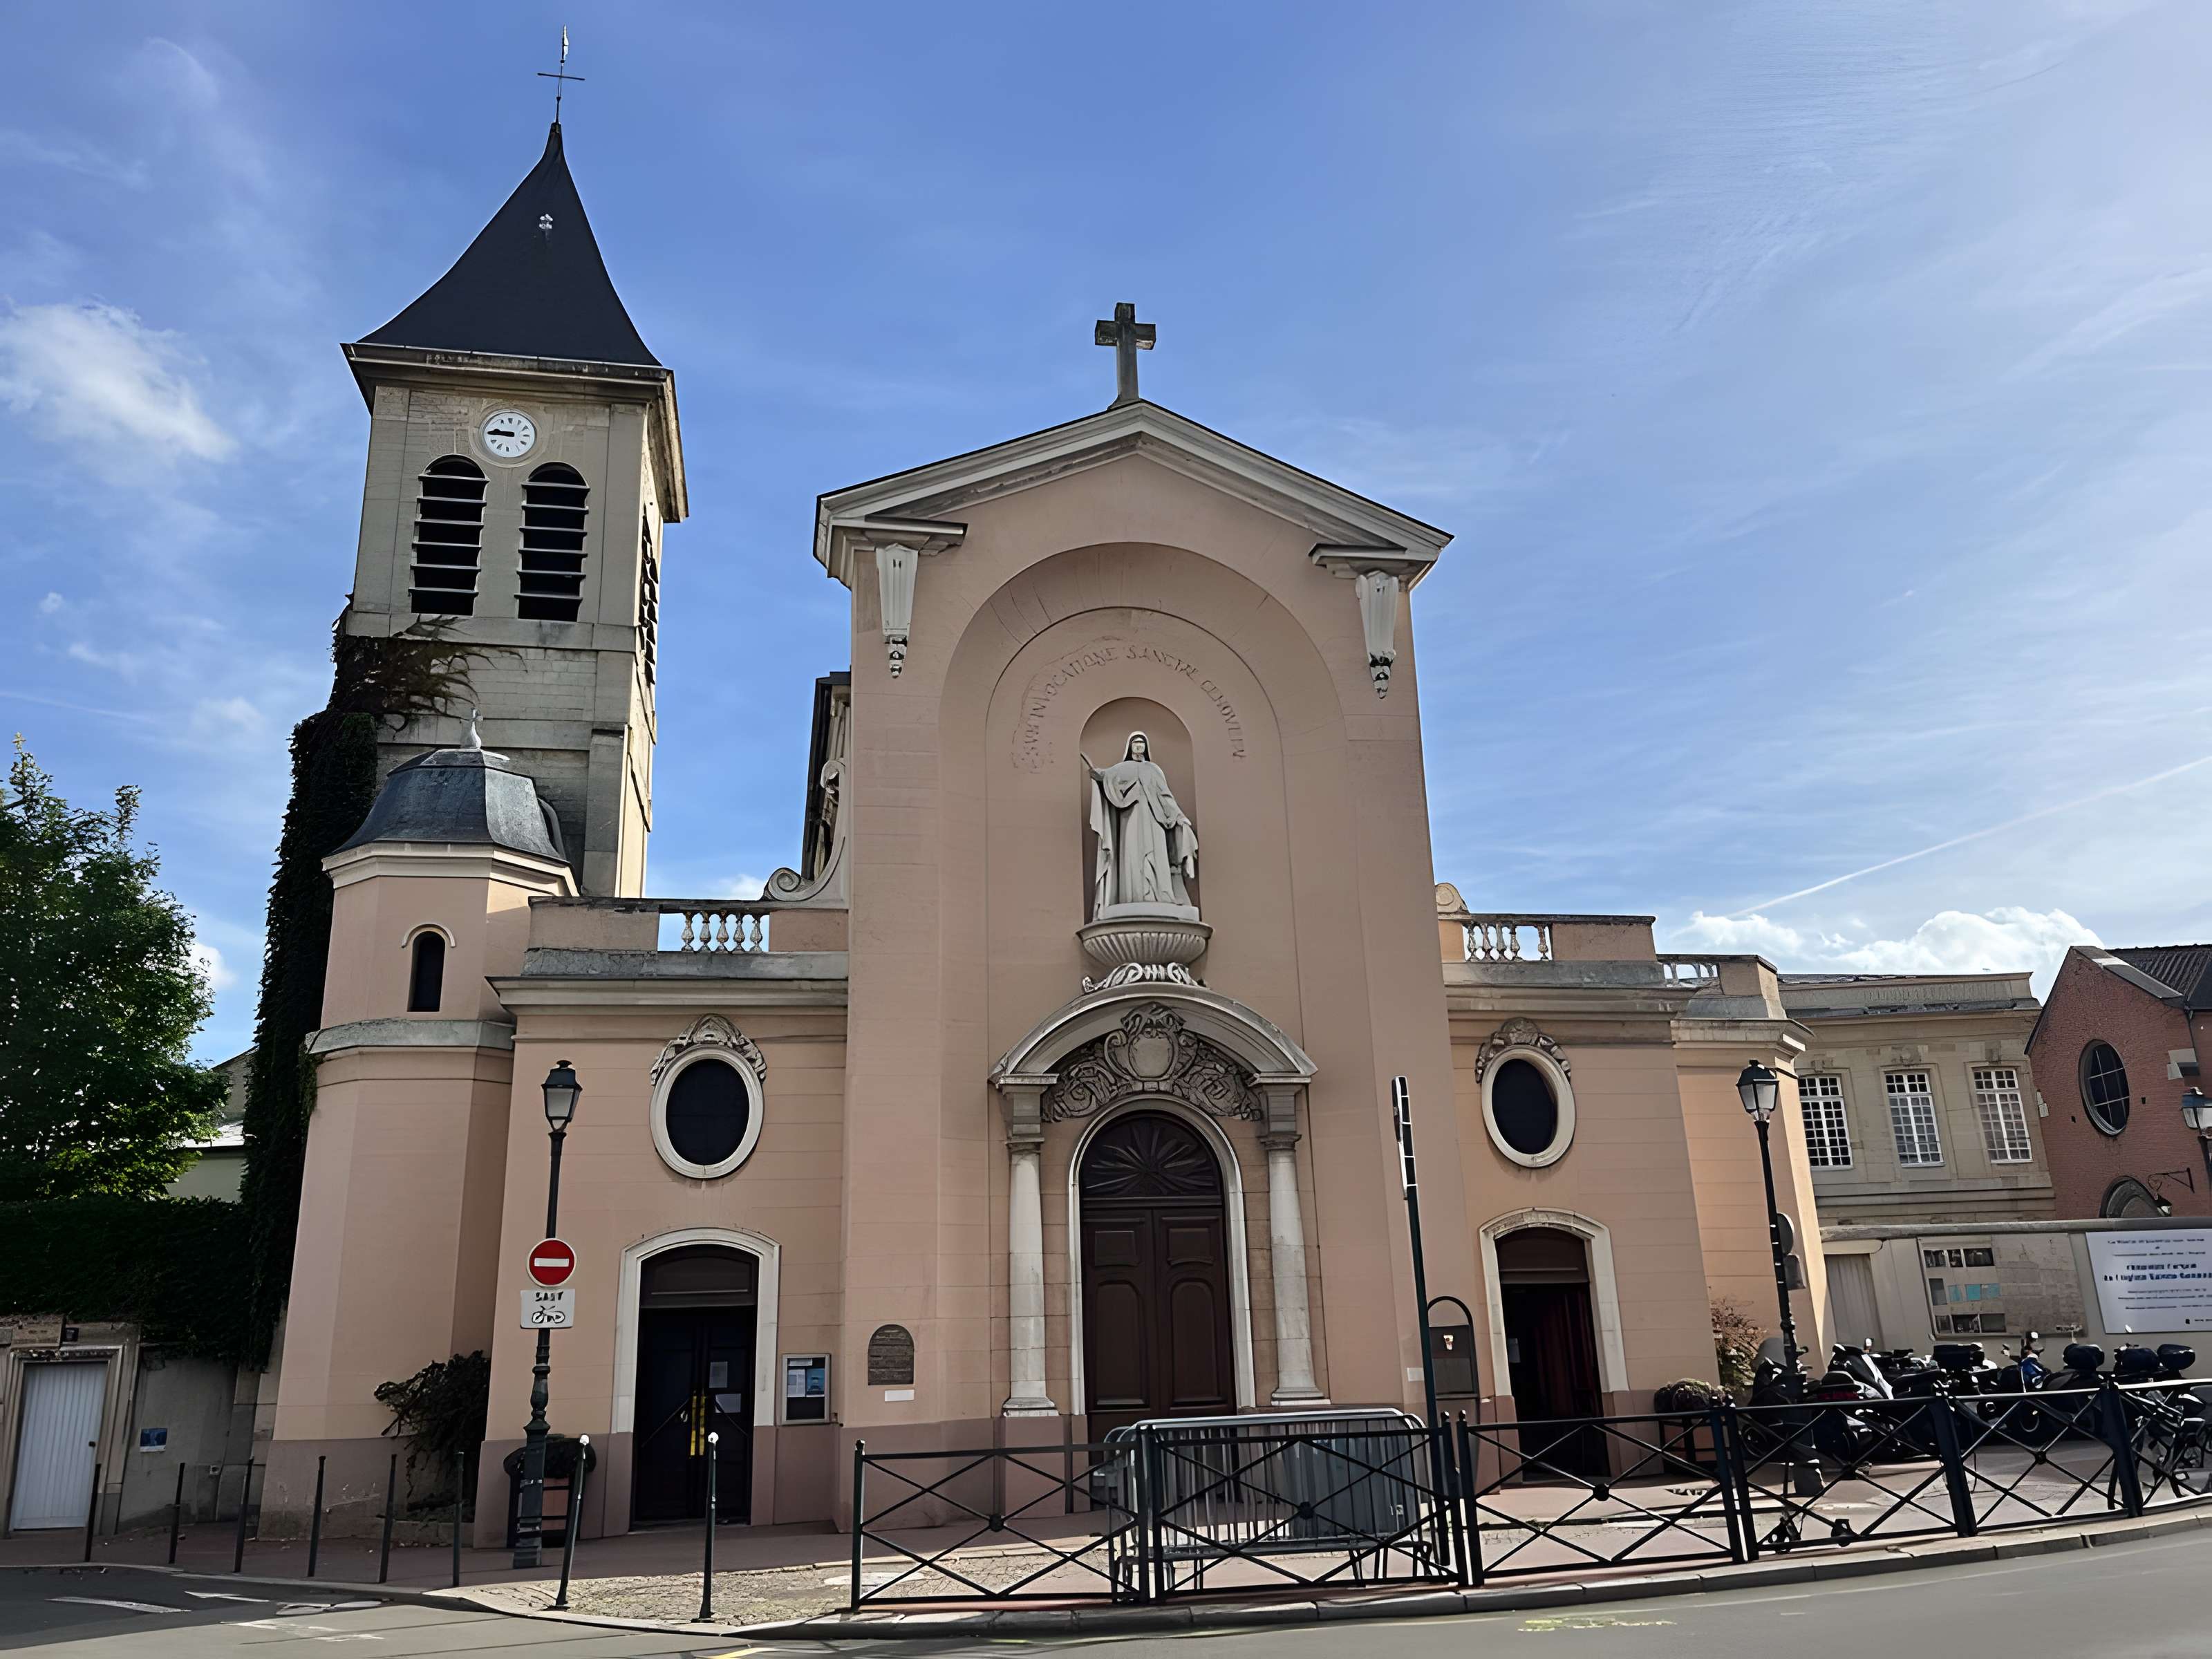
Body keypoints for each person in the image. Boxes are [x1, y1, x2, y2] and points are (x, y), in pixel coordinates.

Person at [1085, 732, 1198, 914]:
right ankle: (1133, 897)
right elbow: (1107, 777)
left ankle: (1161, 895)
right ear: (1130, 746)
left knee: (1157, 854)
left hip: (1155, 820)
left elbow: (1166, 796)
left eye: (1142, 743)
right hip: (1131, 818)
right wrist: (1097, 773)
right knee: (1133, 854)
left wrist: (1179, 816)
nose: (1139, 746)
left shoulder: (1154, 770)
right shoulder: (1122, 768)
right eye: (1136, 743)